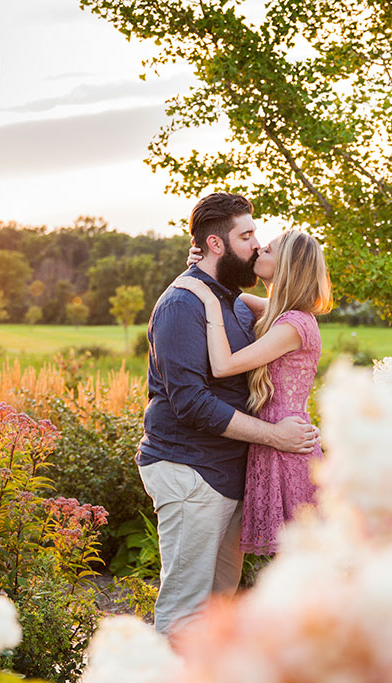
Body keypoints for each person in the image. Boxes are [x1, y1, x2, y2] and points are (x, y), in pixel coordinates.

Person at [136, 192, 319, 638]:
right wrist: (275, 436)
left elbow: (287, 315)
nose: (257, 245)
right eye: (247, 235)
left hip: (227, 471)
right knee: (186, 608)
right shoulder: (183, 305)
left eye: (258, 236)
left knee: (219, 608)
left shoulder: (234, 302)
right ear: (218, 244)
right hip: (189, 469)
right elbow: (192, 402)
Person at [175, 228, 332, 556]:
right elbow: (235, 297)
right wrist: (203, 268)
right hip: (272, 438)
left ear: (286, 265)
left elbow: (223, 365)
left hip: (287, 446)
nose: (259, 249)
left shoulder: (293, 325)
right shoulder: (279, 312)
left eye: (269, 250)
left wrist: (204, 296)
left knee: (299, 562)